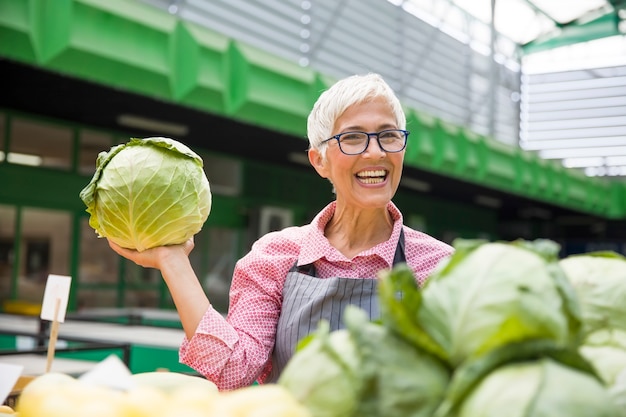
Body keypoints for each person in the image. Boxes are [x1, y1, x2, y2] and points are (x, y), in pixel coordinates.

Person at [108, 73, 454, 390]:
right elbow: (234, 371)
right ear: (319, 160)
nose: (376, 152)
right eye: (353, 138)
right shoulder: (275, 256)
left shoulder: (441, 268)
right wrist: (173, 262)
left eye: (389, 135)